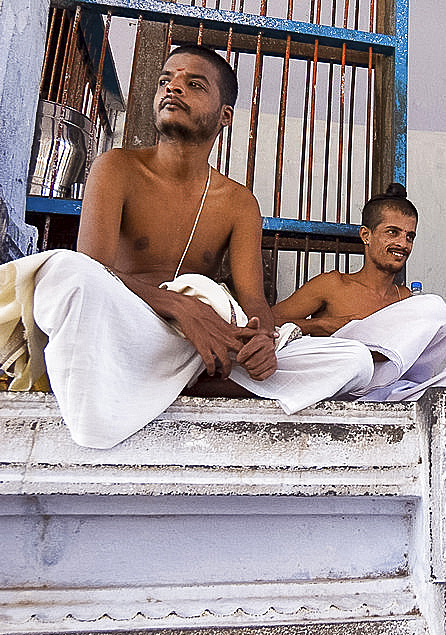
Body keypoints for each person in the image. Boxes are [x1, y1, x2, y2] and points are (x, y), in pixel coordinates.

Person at [0, 44, 379, 448]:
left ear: (224, 116)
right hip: (128, 332)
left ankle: (169, 384)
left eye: (193, 84)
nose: (173, 88)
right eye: (166, 80)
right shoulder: (116, 167)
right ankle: (182, 384)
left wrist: (263, 340)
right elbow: (95, 274)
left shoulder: (238, 202)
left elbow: (253, 300)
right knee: (65, 272)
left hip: (200, 345)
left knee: (351, 361)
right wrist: (183, 306)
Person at [271, 184, 446, 401]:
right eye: (393, 232)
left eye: (410, 237)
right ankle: (366, 351)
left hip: (389, 392)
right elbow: (265, 321)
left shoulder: (408, 301)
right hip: (341, 385)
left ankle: (380, 355)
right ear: (366, 235)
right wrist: (320, 326)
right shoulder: (333, 284)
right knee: (430, 309)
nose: (402, 244)